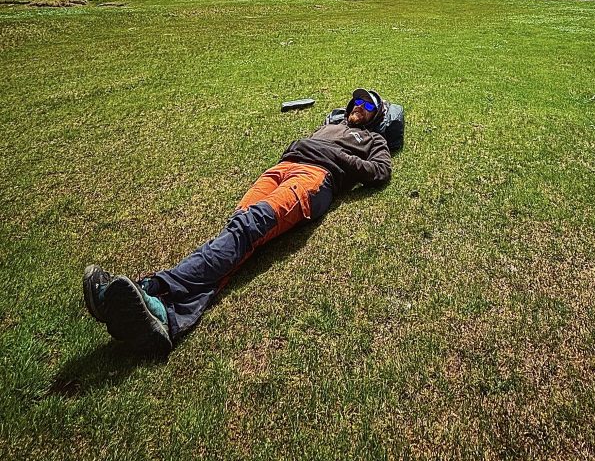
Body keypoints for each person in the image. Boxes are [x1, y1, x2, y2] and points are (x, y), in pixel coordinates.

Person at [83, 89, 398, 355]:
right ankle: (166, 317)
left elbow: (381, 173)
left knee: (249, 227)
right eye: (356, 101)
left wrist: (339, 157)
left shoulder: (373, 140)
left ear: (378, 115)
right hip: (283, 167)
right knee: (239, 231)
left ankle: (152, 287)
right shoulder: (332, 122)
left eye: (368, 105)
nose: (359, 106)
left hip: (315, 178)